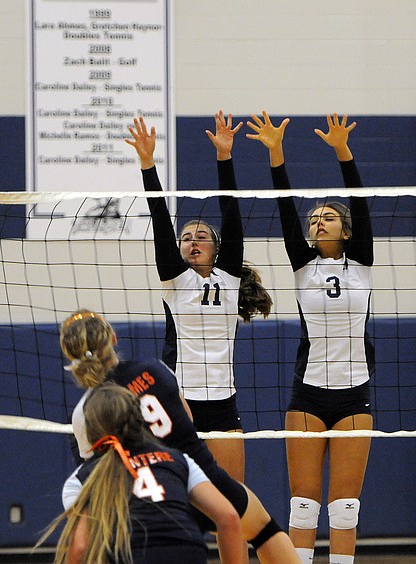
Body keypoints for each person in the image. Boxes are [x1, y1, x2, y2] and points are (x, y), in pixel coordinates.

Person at [59, 309, 299, 564]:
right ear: (113, 338)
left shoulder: (85, 412)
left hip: (147, 502)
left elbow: (95, 473)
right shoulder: (154, 368)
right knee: (263, 530)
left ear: (71, 356)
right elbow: (188, 418)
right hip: (203, 477)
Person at [247, 112, 373, 564]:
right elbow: (285, 208)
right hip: (308, 396)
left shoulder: (361, 262)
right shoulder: (303, 266)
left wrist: (343, 151)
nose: (319, 222)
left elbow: (360, 202)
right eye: (315, 218)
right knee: (302, 506)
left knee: (345, 508)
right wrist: (276, 154)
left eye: (328, 218)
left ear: (346, 230)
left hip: (354, 394)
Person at [125, 111, 273, 484]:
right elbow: (160, 220)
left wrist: (224, 156)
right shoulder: (176, 281)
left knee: (234, 498)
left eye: (201, 237)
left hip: (223, 403)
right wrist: (148, 165)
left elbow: (231, 212)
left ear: (217, 248)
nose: (192, 242)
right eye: (186, 238)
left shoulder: (229, 277)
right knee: (179, 494)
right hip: (180, 401)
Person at [41, 382, 243, 564]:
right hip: (187, 551)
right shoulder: (178, 459)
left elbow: (81, 547)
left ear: (90, 433)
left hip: (132, 554)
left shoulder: (84, 477)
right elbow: (230, 517)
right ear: (139, 420)